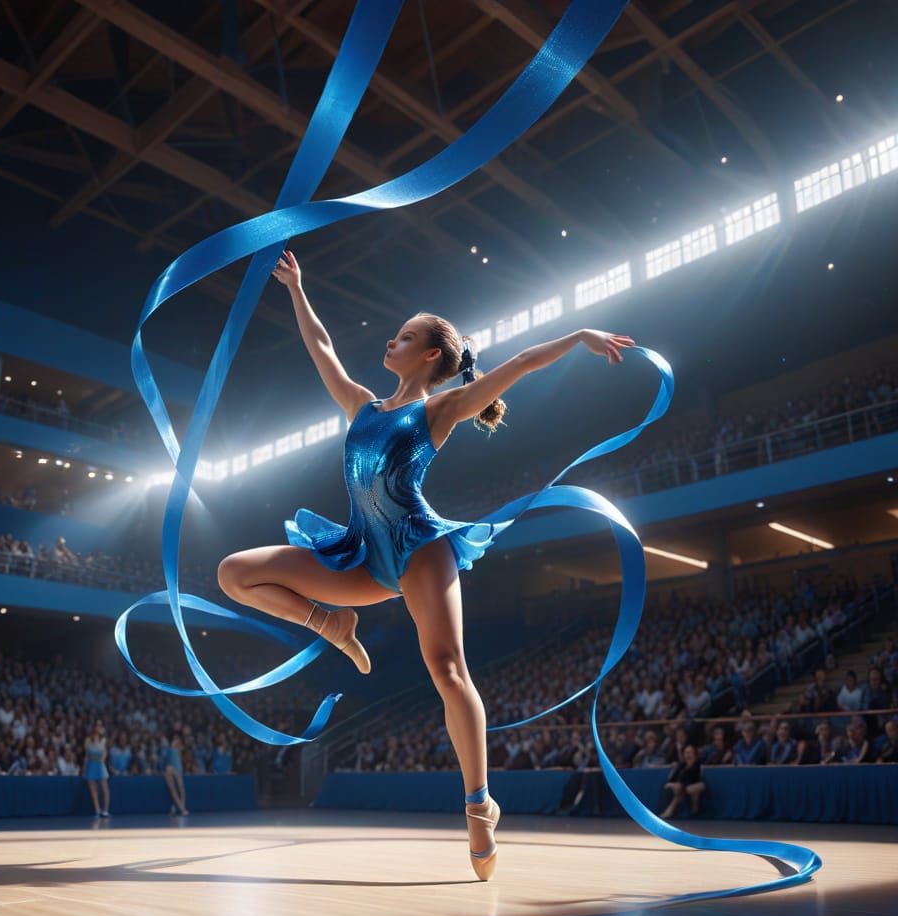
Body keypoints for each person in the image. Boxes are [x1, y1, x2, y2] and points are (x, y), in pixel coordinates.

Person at [211, 249, 635, 882]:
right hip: (359, 555)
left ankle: (478, 805)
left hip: (417, 547)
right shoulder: (360, 405)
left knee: (447, 667)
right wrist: (298, 289)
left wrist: (579, 336)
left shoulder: (438, 411)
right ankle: (332, 626)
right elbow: (321, 346)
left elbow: (518, 365)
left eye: (405, 336)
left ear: (432, 356)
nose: (391, 339)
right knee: (234, 573)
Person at [659, 745, 706, 819]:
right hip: (683, 787)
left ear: (694, 754)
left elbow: (694, 778)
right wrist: (673, 784)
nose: (688, 755)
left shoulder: (698, 764)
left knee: (687, 789)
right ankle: (694, 811)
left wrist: (680, 785)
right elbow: (673, 778)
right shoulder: (681, 765)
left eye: (690, 752)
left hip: (696, 785)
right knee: (680, 789)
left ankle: (670, 810)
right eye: (686, 753)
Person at [83, 720, 110, 818]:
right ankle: (97, 810)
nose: (99, 727)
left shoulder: (104, 741)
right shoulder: (88, 740)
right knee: (93, 790)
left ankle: (105, 810)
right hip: (91, 765)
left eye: (100, 726)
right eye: (97, 726)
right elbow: (86, 754)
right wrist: (84, 767)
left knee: (104, 788)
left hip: (100, 766)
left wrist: (102, 759)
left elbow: (105, 753)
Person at [161, 735, 189, 817]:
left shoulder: (176, 750)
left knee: (180, 789)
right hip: (170, 769)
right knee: (175, 790)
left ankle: (181, 808)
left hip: (176, 769)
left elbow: (178, 760)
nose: (176, 742)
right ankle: (182, 809)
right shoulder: (167, 750)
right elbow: (164, 761)